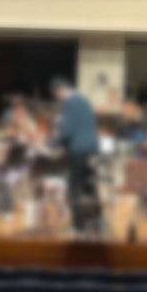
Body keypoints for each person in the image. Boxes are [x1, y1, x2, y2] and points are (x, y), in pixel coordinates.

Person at [50, 77, 100, 235]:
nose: (57, 99)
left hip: (78, 150)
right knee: (89, 186)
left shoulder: (69, 103)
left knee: (75, 187)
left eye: (56, 96)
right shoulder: (83, 100)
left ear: (60, 91)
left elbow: (66, 131)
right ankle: (95, 222)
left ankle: (78, 226)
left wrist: (50, 144)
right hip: (92, 148)